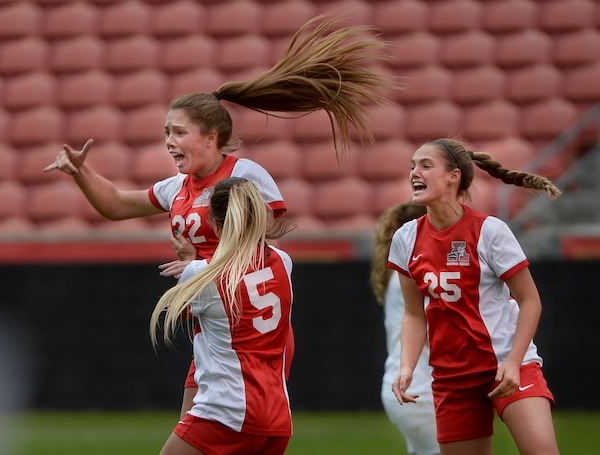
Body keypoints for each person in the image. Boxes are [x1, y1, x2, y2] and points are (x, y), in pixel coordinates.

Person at [43, 13, 393, 417]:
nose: (169, 142)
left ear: (212, 137)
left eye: (178, 132)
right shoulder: (177, 185)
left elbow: (263, 243)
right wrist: (81, 172)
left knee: (213, 427)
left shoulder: (244, 176)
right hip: (210, 324)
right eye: (165, 133)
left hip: (245, 324)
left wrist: (201, 264)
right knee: (214, 431)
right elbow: (117, 205)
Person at [389, 138, 562, 455]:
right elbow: (414, 314)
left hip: (507, 365)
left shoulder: (490, 231)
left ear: (454, 176)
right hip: (453, 377)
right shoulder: (405, 238)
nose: (415, 172)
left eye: (426, 165)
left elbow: (530, 301)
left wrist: (512, 362)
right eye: (412, 165)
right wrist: (407, 367)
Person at [150, 177, 296, 455]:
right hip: (277, 418)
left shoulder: (205, 275)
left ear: (216, 225)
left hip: (226, 412)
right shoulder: (283, 261)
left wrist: (192, 261)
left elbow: (181, 314)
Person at [370, 202, 438, 455]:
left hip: (411, 391)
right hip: (420, 394)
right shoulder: (412, 280)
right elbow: (434, 335)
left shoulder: (400, 278)